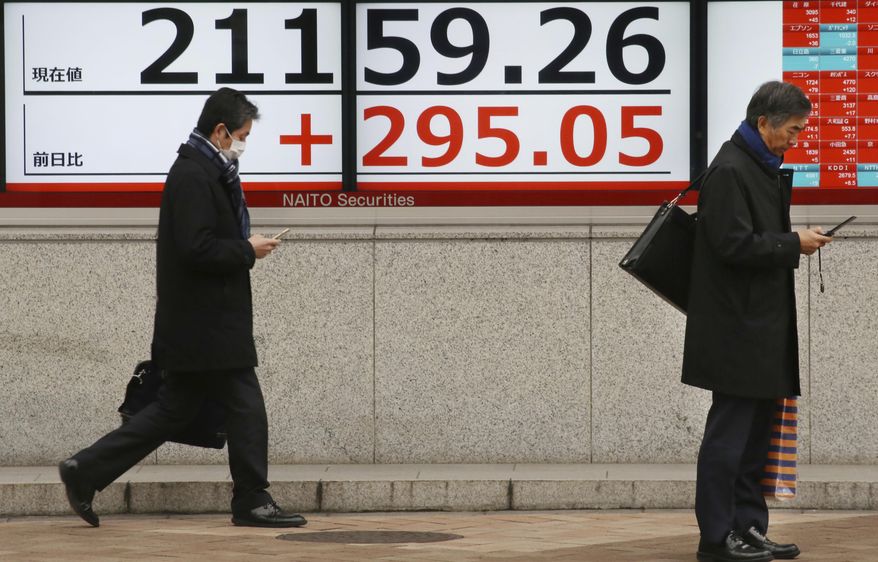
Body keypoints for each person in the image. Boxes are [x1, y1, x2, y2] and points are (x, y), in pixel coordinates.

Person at [59, 87, 305, 529]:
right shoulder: (194, 175)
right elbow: (196, 248)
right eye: (242, 135)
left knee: (174, 411)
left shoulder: (203, 171)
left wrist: (244, 249)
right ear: (220, 130)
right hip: (206, 324)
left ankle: (85, 469)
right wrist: (247, 250)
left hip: (198, 323)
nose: (244, 144)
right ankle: (251, 499)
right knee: (246, 404)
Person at [682, 81, 831, 562]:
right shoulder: (729, 169)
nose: (796, 138)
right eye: (792, 130)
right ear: (763, 122)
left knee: (755, 439)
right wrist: (793, 243)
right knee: (729, 438)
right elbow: (731, 244)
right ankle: (717, 538)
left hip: (759, 329)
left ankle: (748, 528)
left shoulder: (759, 166)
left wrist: (790, 241)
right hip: (735, 332)